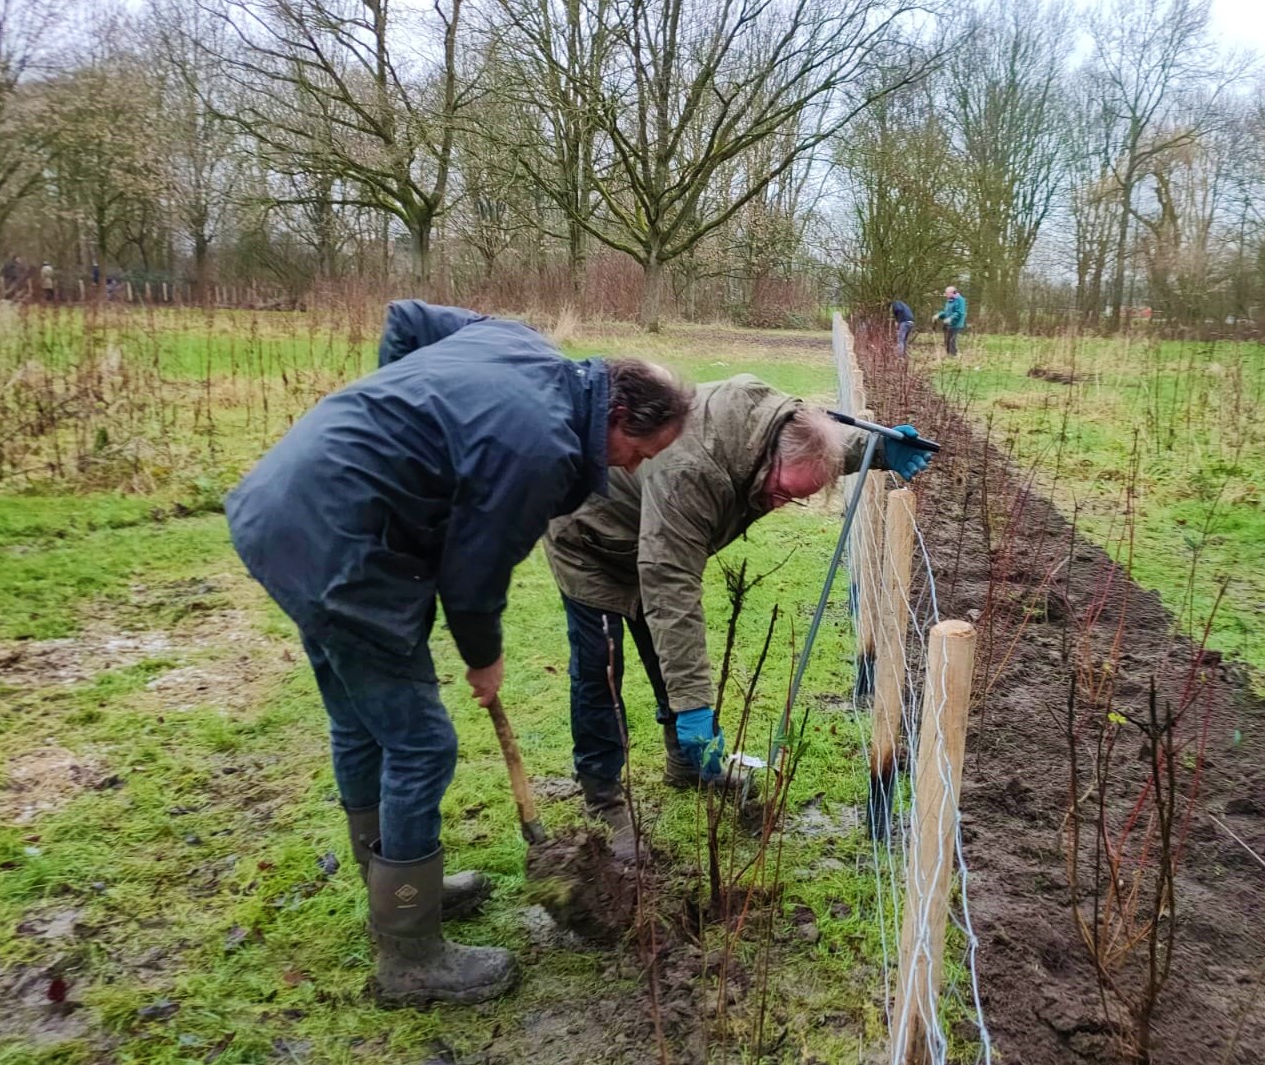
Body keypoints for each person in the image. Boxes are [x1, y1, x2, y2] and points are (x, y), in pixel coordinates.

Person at [225, 300, 693, 1007]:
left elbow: (406, 320)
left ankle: (400, 890)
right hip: (343, 549)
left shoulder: (516, 340)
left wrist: (400, 435)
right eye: (641, 453)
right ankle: (410, 953)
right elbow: (472, 577)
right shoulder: (544, 450)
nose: (633, 469)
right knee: (420, 744)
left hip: (286, 508)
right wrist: (484, 656)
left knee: (361, 723)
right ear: (620, 418)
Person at [543, 375, 934, 851]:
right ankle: (602, 796)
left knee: (665, 653)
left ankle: (686, 766)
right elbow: (670, 586)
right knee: (600, 672)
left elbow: (818, 446)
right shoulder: (693, 470)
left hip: (659, 537)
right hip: (592, 539)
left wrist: (875, 448)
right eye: (782, 492)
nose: (783, 503)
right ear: (764, 457)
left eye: (797, 497)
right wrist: (694, 707)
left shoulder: (776, 421)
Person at [934, 285, 967, 356]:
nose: (946, 295)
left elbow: (960, 312)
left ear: (953, 292)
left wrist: (950, 318)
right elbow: (946, 313)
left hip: (956, 324)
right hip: (949, 324)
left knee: (952, 340)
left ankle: (954, 355)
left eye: (947, 293)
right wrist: (938, 315)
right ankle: (949, 355)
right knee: (947, 340)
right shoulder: (949, 301)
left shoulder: (960, 300)